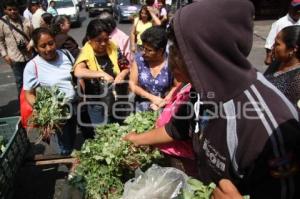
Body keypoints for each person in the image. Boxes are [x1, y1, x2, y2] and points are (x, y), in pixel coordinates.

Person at [124, 0, 300, 198]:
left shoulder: (270, 127)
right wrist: (135, 139)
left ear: (205, 52)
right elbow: (177, 128)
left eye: (177, 48)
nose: (170, 55)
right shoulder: (202, 90)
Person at [23, 27, 76, 155]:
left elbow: (75, 75)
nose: (48, 49)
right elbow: (29, 94)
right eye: (43, 46)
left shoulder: (66, 55)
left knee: (71, 138)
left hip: (74, 107)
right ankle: (69, 168)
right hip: (56, 115)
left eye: (51, 43)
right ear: (36, 48)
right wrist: (44, 108)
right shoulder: (32, 66)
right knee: (64, 146)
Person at [73, 19, 129, 126]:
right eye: (99, 40)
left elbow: (125, 66)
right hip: (96, 103)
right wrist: (102, 74)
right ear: (89, 39)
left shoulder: (113, 48)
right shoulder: (85, 53)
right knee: (102, 133)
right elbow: (78, 71)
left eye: (106, 39)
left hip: (116, 99)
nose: (103, 44)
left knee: (119, 129)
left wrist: (121, 75)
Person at [129, 26, 178, 112]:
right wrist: (152, 98)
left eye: (149, 50)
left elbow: (177, 85)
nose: (144, 52)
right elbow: (132, 85)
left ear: (160, 51)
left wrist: (165, 101)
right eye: (143, 48)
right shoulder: (138, 60)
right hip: (142, 108)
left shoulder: (171, 62)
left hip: (165, 108)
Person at [0, 0, 32, 97]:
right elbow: (0, 41)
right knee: (20, 83)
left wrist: (31, 44)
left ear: (18, 10)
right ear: (5, 10)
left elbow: (34, 36)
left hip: (29, 56)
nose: (13, 11)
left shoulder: (25, 20)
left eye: (15, 9)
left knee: (31, 82)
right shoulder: (2, 23)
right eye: (10, 9)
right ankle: (23, 106)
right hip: (14, 58)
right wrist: (5, 55)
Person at [265, 25, 300, 109]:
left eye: (277, 44)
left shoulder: (297, 78)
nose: (273, 47)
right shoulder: (277, 62)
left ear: (293, 49)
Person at [264, 0, 300, 66]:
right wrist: (268, 56)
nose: (298, 11)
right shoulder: (279, 23)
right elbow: (270, 41)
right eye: (296, 9)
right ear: (290, 9)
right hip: (283, 57)